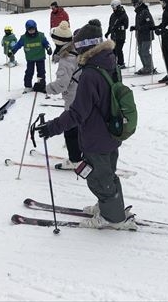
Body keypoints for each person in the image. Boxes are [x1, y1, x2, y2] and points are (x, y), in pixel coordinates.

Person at [35, 19, 136, 230]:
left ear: (85, 47)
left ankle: (112, 218)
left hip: (96, 136)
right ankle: (108, 206)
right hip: (111, 131)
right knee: (107, 173)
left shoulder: (90, 74)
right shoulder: (109, 61)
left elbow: (78, 113)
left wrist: (52, 128)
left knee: (98, 178)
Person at [34, 20, 82, 170]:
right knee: (79, 126)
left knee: (70, 128)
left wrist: (45, 88)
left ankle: (75, 160)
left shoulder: (66, 59)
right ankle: (81, 154)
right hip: (82, 92)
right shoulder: (76, 49)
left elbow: (62, 84)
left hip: (74, 97)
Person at [8, 19, 52, 93]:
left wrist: (48, 48)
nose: (31, 31)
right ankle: (28, 86)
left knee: (41, 72)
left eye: (33, 29)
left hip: (40, 57)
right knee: (29, 72)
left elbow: (46, 43)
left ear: (36, 28)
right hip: (30, 58)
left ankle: (41, 85)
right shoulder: (24, 38)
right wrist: (12, 51)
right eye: (29, 30)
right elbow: (17, 45)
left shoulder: (41, 36)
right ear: (26, 29)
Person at [129, 0, 156, 75]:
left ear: (139, 3)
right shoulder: (138, 12)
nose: (134, 6)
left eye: (135, 4)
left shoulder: (145, 12)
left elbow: (150, 24)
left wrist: (140, 28)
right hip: (140, 35)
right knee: (140, 52)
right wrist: (135, 27)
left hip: (147, 36)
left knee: (145, 52)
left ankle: (150, 68)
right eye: (133, 4)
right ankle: (146, 67)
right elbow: (140, 24)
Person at [104, 0, 128, 68]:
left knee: (119, 50)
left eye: (114, 7)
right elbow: (111, 25)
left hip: (120, 36)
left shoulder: (123, 15)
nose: (113, 9)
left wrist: (118, 28)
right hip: (113, 36)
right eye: (112, 7)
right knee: (113, 50)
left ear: (118, 6)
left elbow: (126, 26)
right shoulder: (113, 15)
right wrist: (108, 32)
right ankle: (114, 63)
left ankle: (121, 63)